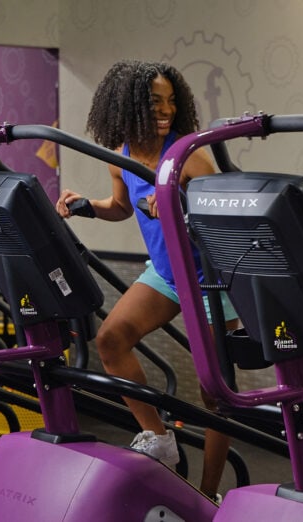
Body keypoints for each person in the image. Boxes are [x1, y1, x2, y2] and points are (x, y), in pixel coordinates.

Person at [55, 60, 239, 501]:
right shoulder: (121, 157)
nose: (166, 110)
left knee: (216, 392)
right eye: (155, 101)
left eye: (172, 101)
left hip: (209, 280)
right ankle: (159, 438)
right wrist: (87, 206)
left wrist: (177, 201)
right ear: (129, 105)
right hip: (166, 272)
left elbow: (222, 216)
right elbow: (121, 207)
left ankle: (207, 493)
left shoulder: (189, 155)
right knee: (110, 340)